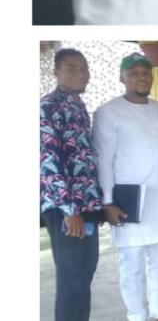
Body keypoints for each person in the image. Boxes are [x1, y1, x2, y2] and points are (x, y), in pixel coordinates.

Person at [92, 53, 158, 321]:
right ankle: (136, 315)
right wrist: (108, 202)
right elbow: (104, 159)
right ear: (122, 77)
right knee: (131, 265)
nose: (142, 77)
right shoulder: (108, 112)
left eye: (146, 72)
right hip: (128, 202)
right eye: (134, 73)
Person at [40, 48, 103, 321]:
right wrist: (69, 210)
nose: (81, 74)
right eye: (72, 68)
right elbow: (48, 161)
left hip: (85, 206)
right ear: (56, 73)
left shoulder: (77, 106)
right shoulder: (49, 106)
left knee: (84, 272)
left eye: (84, 68)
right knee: (72, 278)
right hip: (67, 209)